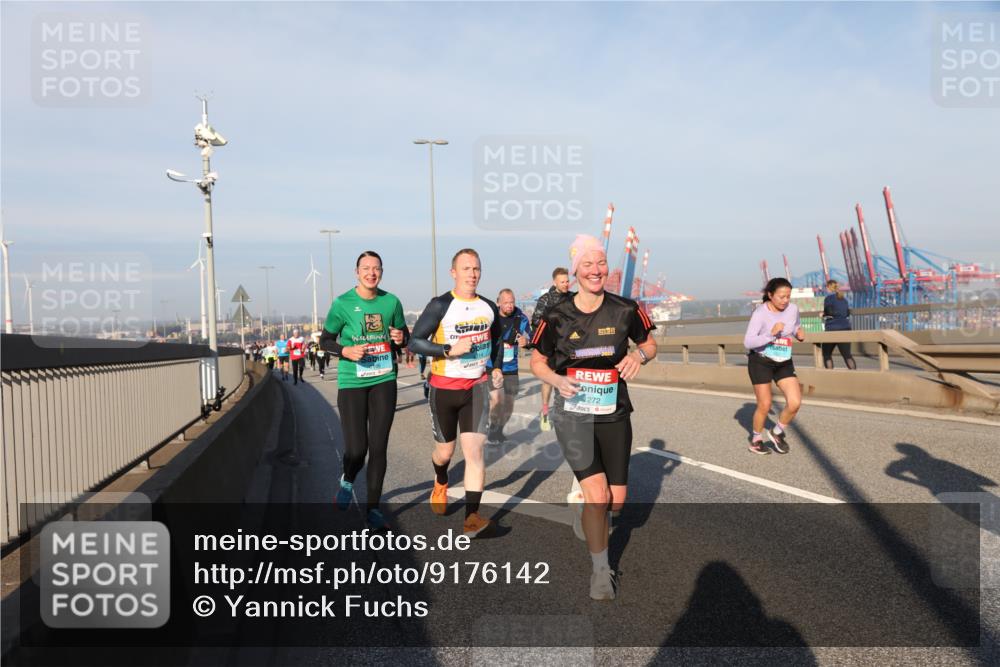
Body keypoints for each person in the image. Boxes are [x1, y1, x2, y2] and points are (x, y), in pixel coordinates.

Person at [530, 235, 657, 600]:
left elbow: (649, 342)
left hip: (614, 411)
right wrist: (555, 379)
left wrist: (640, 357)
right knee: (598, 495)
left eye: (600, 263)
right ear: (575, 270)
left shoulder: (626, 308)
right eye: (587, 264)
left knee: (616, 501)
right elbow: (537, 361)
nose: (596, 270)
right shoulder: (556, 315)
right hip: (572, 414)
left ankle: (586, 506)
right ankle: (601, 570)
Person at [408, 249, 504, 538]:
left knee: (474, 452)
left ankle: (471, 518)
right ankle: (440, 480)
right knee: (445, 452)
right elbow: (414, 342)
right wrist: (447, 350)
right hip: (444, 389)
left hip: (475, 387)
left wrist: (496, 367)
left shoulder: (488, 307)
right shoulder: (440, 305)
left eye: (476, 268)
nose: (472, 274)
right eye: (466, 269)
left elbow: (497, 340)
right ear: (454, 272)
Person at [319, 251, 409, 530]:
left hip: (383, 378)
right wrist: (345, 349)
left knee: (379, 447)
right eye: (366, 268)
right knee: (358, 450)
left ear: (382, 271)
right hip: (352, 382)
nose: (371, 273)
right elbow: (325, 340)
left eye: (376, 268)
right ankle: (347, 478)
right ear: (357, 272)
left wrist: (400, 337)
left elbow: (403, 335)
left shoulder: (391, 301)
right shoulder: (342, 303)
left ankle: (372, 509)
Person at [743, 277, 806, 455]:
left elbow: (794, 326)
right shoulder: (760, 313)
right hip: (761, 361)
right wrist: (771, 335)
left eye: (788, 296)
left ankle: (777, 432)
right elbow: (748, 342)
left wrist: (798, 332)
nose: (785, 301)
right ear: (770, 295)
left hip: (783, 360)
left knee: (795, 403)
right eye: (781, 297)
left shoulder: (792, 309)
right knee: (765, 404)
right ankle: (756, 440)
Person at [486, 288, 531, 443]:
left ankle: (499, 430)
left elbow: (533, 337)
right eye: (506, 303)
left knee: (509, 404)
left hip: (511, 367)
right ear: (499, 303)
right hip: (492, 365)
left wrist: (527, 342)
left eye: (512, 302)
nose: (509, 305)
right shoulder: (491, 318)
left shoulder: (521, 318)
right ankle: (492, 428)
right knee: (497, 399)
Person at [530, 267, 571, 432]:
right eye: (563, 282)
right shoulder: (546, 299)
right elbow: (535, 321)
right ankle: (545, 411)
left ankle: (566, 412)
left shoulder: (573, 297)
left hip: (568, 346)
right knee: (548, 379)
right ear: (555, 282)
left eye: (567, 281)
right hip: (551, 346)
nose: (566, 284)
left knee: (568, 378)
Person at [821, 279, 856, 370]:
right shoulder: (843, 298)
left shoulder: (829, 298)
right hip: (845, 327)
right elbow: (846, 313)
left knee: (826, 354)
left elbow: (829, 312)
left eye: (826, 287)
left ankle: (830, 376)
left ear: (829, 287)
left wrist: (823, 314)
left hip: (832, 329)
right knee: (847, 355)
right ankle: (855, 375)